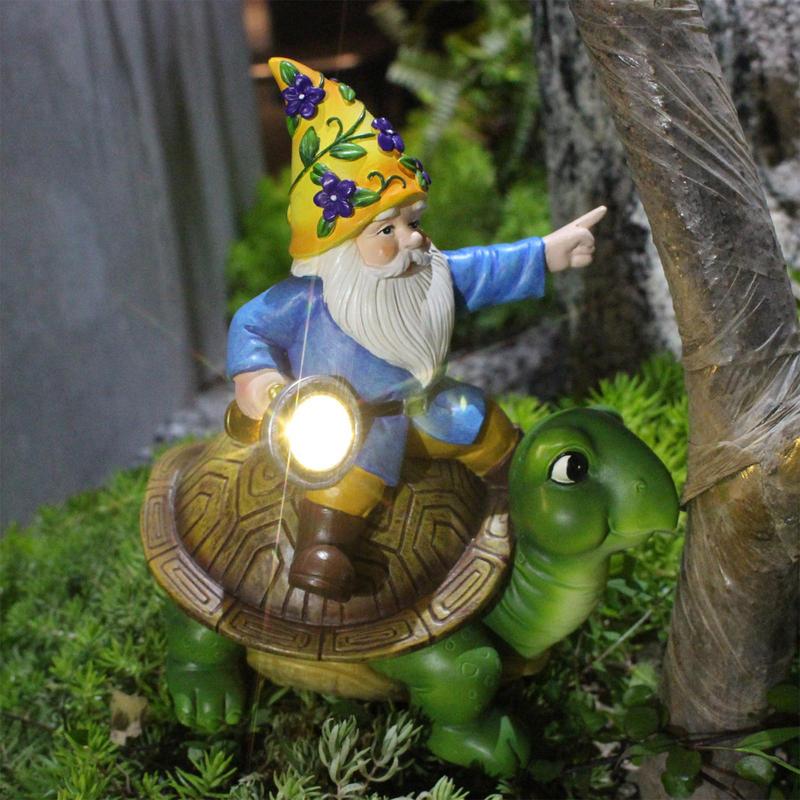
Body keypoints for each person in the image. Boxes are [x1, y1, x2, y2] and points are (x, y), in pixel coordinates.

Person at [228, 57, 606, 602]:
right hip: (351, 425)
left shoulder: (428, 275)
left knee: (484, 424)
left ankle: (524, 495)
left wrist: (547, 252)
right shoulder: (309, 301)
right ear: (339, 248)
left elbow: (484, 270)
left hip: (426, 403)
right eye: (388, 230)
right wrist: (257, 377)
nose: (412, 240)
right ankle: (322, 547)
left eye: (414, 222)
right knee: (345, 486)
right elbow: (251, 324)